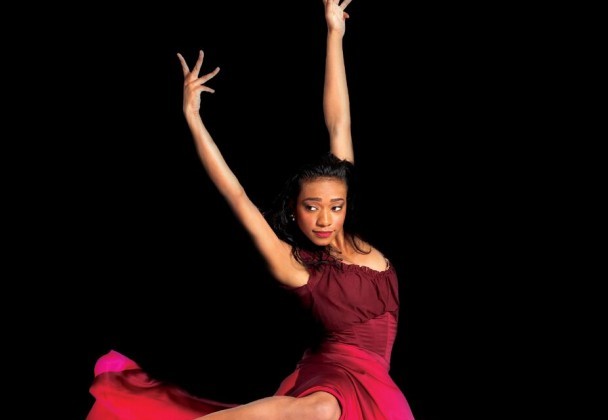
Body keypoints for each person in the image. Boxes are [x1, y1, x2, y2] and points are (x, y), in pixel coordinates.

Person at [86, 1, 414, 419]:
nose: (325, 218)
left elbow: (339, 123)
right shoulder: (295, 266)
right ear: (294, 211)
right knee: (320, 411)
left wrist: (334, 33)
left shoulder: (349, 223)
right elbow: (237, 195)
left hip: (377, 381)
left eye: (336, 206)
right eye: (311, 207)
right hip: (331, 377)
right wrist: (193, 118)